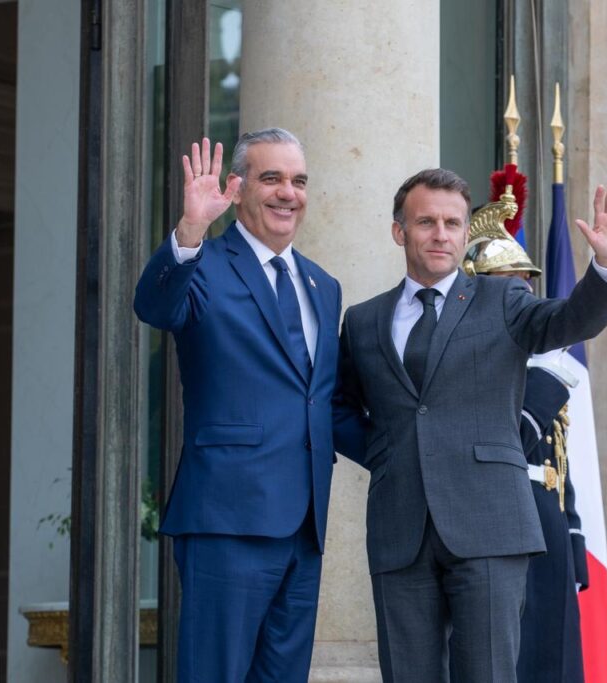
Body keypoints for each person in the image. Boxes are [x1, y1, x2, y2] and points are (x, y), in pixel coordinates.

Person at [335, 168, 607, 682]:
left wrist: (605, 266)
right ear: (399, 231)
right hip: (400, 526)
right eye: (426, 222)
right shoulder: (364, 320)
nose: (441, 234)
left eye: (453, 223)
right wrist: (392, 454)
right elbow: (339, 409)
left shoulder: (503, 301)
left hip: (489, 526)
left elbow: (567, 322)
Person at [134, 128, 361, 682]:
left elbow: (321, 402)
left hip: (303, 527)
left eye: (299, 181)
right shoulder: (204, 262)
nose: (288, 193)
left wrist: (414, 454)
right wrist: (191, 228)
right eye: (272, 178)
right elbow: (153, 305)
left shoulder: (322, 285)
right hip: (227, 519)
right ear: (236, 189)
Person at [464, 223, 588, 682]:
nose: (525, 290)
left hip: (547, 526)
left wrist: (574, 541)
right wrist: (544, 388)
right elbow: (507, 440)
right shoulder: (476, 355)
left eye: (528, 280)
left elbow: (559, 463)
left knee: (552, 659)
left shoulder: (543, 356)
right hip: (493, 521)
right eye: (511, 280)